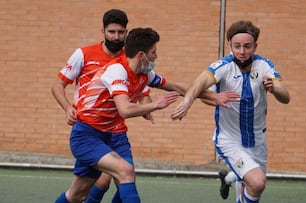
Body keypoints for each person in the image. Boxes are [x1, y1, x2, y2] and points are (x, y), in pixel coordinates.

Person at [53, 26, 238, 203]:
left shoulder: (144, 73)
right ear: (141, 56)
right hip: (87, 135)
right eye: (153, 52)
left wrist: (215, 96)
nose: (156, 56)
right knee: (124, 171)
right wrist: (155, 105)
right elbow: (124, 109)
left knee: (77, 196)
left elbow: (178, 87)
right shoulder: (117, 70)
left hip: (108, 135)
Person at [171, 20, 290, 203]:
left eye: (247, 46)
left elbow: (285, 97)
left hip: (257, 139)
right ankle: (232, 180)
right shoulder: (223, 66)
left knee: (253, 184)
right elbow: (199, 84)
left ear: (255, 46)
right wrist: (187, 102)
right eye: (237, 46)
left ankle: (226, 179)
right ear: (229, 45)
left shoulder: (264, 65)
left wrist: (274, 87)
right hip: (230, 140)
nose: (242, 51)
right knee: (257, 182)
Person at [51, 9, 135, 203]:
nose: (116, 37)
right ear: (103, 31)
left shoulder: (128, 60)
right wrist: (67, 108)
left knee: (126, 177)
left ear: (126, 32)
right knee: (79, 193)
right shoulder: (84, 54)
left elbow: (142, 88)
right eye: (111, 32)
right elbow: (58, 85)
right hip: (89, 128)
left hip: (117, 131)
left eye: (121, 32)